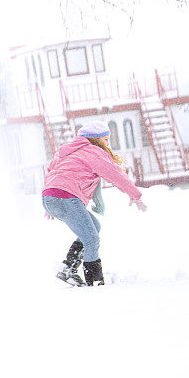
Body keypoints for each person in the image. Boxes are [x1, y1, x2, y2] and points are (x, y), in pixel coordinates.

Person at [43, 121, 147, 286]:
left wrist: (50, 201)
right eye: (106, 140)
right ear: (96, 140)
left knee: (94, 227)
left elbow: (51, 172)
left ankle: (68, 268)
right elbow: (115, 175)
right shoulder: (93, 152)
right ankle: (95, 281)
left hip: (51, 196)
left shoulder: (66, 151)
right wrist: (135, 195)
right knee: (91, 238)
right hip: (66, 196)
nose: (107, 144)